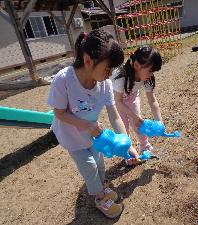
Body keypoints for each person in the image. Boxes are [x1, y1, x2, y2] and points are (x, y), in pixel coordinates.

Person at [48, 30, 135, 218]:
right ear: (88, 60)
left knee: (99, 163)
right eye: (107, 69)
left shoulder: (103, 84)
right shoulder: (63, 80)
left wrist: (126, 142)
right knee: (89, 165)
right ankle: (99, 198)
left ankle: (101, 188)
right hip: (71, 136)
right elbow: (59, 113)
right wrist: (86, 125)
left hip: (93, 134)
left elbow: (114, 115)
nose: (110, 74)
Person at [112, 45, 163, 165]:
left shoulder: (147, 78)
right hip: (118, 101)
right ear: (136, 66)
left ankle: (145, 146)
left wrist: (159, 121)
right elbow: (118, 101)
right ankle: (128, 154)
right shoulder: (120, 76)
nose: (151, 74)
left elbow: (152, 101)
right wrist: (133, 116)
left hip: (132, 97)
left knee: (138, 124)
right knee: (123, 127)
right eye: (150, 70)